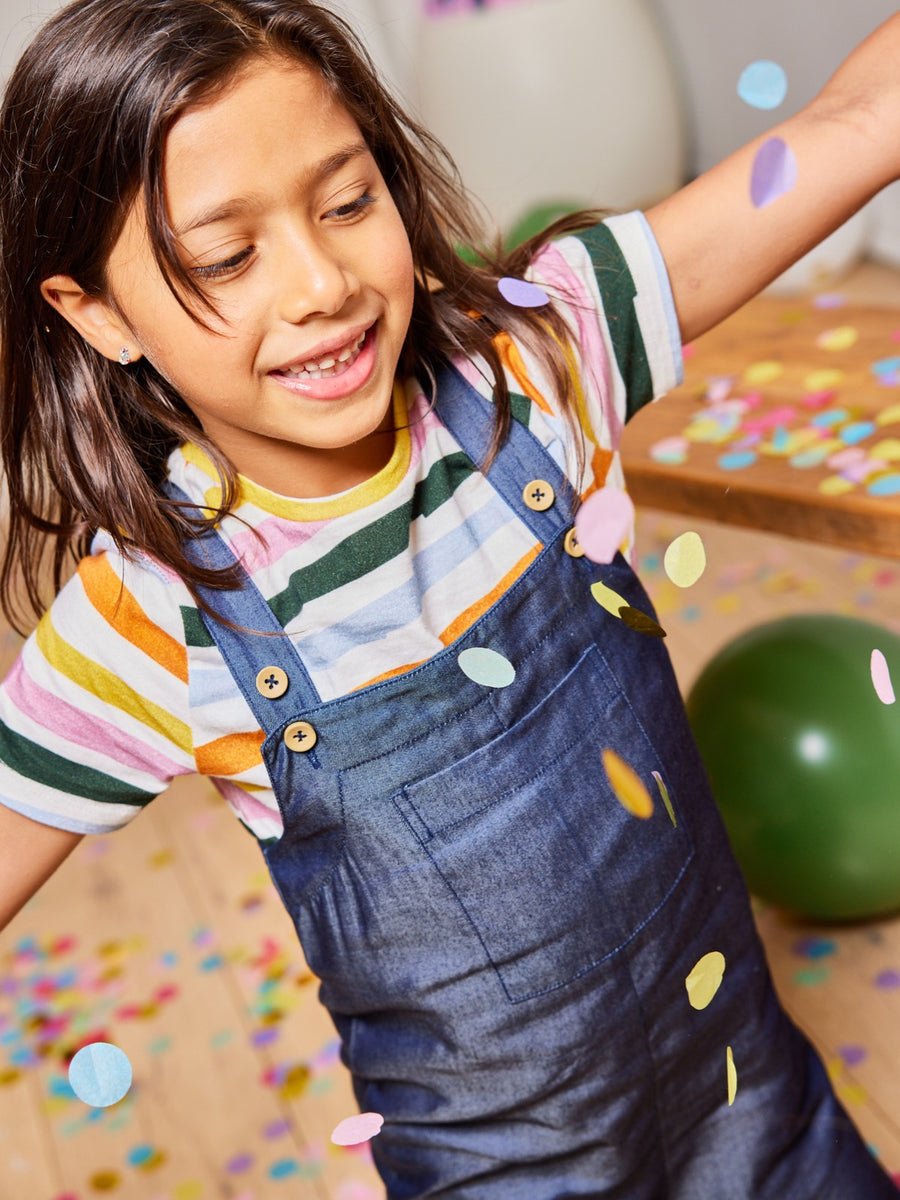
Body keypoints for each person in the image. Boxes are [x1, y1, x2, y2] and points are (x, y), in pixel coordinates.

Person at [0, 1, 897, 1195]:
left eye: (348, 200)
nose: (322, 283)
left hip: (761, 1118)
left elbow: (855, 119)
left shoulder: (548, 360)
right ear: (96, 312)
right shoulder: (151, 622)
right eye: (226, 256)